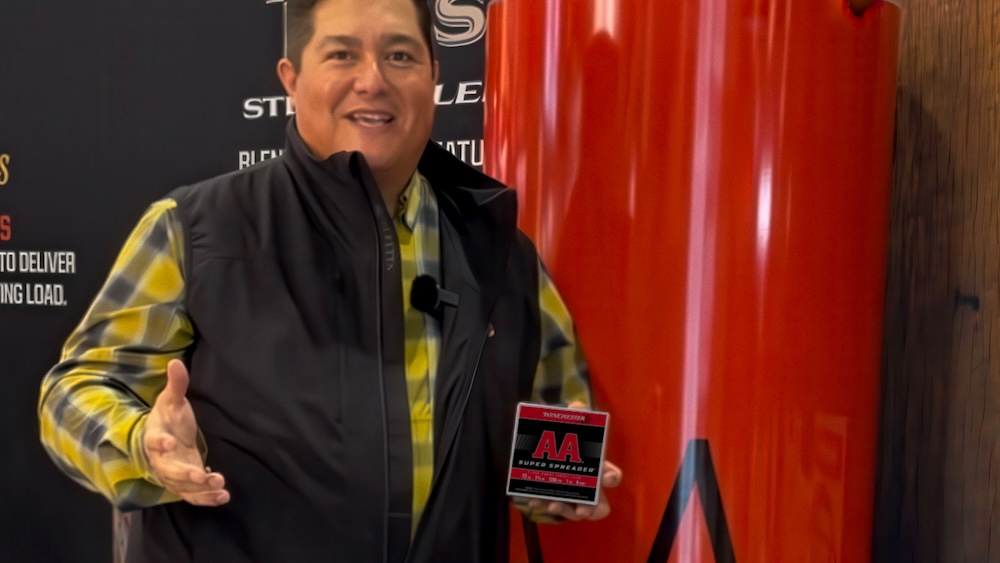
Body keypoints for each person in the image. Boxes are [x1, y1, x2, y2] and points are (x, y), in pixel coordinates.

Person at [38, 0, 621, 560]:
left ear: (434, 76)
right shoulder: (195, 230)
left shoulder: (501, 252)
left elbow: (550, 414)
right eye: (342, 55)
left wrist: (559, 486)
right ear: (291, 79)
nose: (372, 81)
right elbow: (73, 393)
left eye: (400, 56)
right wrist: (147, 445)